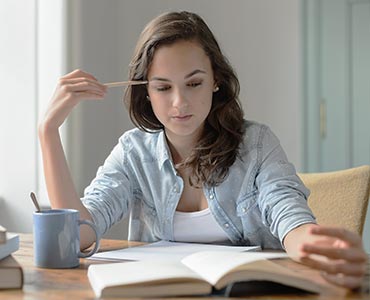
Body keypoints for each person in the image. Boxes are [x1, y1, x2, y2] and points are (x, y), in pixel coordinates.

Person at [38, 11, 367, 289]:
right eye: (163, 87)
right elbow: (78, 237)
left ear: (216, 80)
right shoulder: (133, 152)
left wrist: (311, 242)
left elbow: (288, 214)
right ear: (146, 93)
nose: (179, 102)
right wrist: (48, 132)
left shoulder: (257, 144)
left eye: (194, 83)